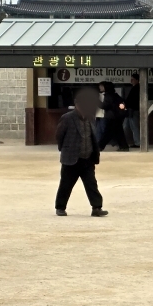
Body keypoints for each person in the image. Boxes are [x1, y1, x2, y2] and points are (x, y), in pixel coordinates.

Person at [54, 85, 107, 217]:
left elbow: (92, 136)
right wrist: (65, 150)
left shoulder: (90, 117)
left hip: (87, 158)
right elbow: (59, 136)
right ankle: (60, 207)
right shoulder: (67, 118)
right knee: (66, 184)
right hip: (71, 157)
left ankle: (96, 208)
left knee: (91, 184)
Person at [98, 82, 130, 151]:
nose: (100, 88)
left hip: (112, 117)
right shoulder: (115, 94)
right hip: (117, 116)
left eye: (101, 86)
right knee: (118, 133)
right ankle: (124, 146)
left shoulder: (108, 96)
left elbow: (104, 106)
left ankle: (99, 146)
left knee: (107, 133)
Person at [124, 73, 141, 148]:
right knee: (126, 126)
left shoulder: (137, 88)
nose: (131, 81)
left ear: (137, 80)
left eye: (133, 79)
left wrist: (126, 105)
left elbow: (132, 100)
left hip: (133, 110)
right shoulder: (135, 88)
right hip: (130, 110)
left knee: (134, 127)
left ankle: (138, 142)